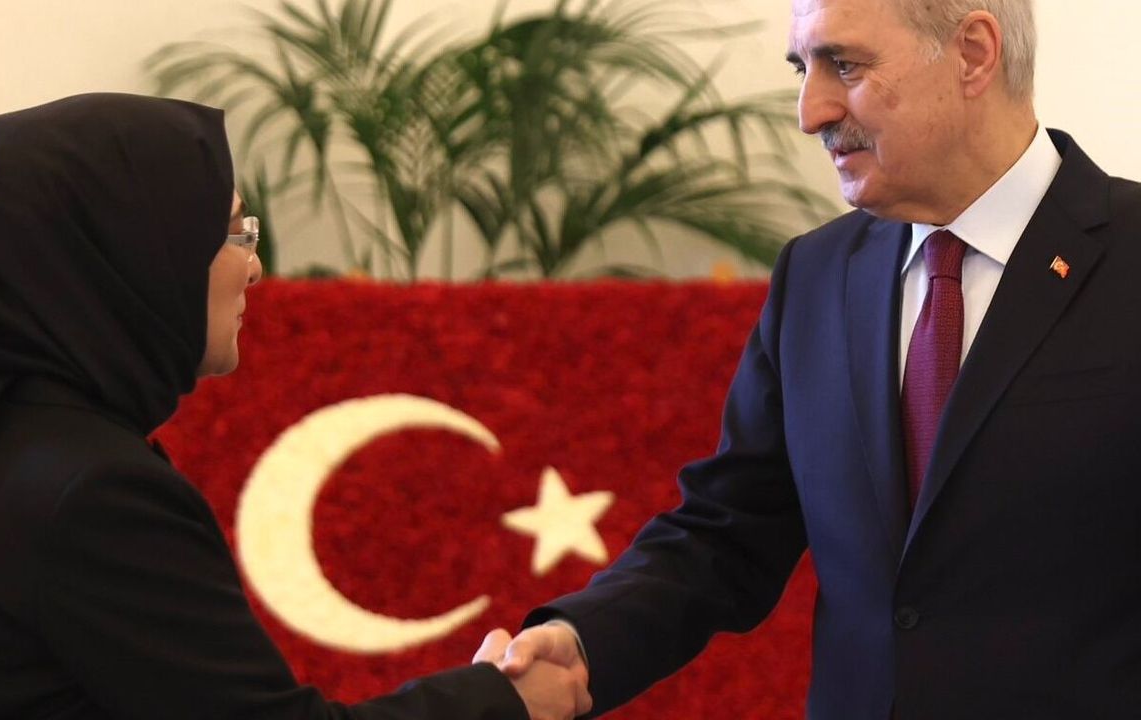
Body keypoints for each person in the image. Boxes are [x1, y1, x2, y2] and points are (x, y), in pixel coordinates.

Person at [484, 1, 1141, 718]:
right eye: (803, 68)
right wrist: (585, 643)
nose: (810, 112)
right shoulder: (817, 274)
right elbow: (728, 529)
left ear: (974, 53)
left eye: (845, 65)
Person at [0, 93, 589, 720]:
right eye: (235, 232)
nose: (256, 266)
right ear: (129, 255)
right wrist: (504, 703)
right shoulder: (93, 494)